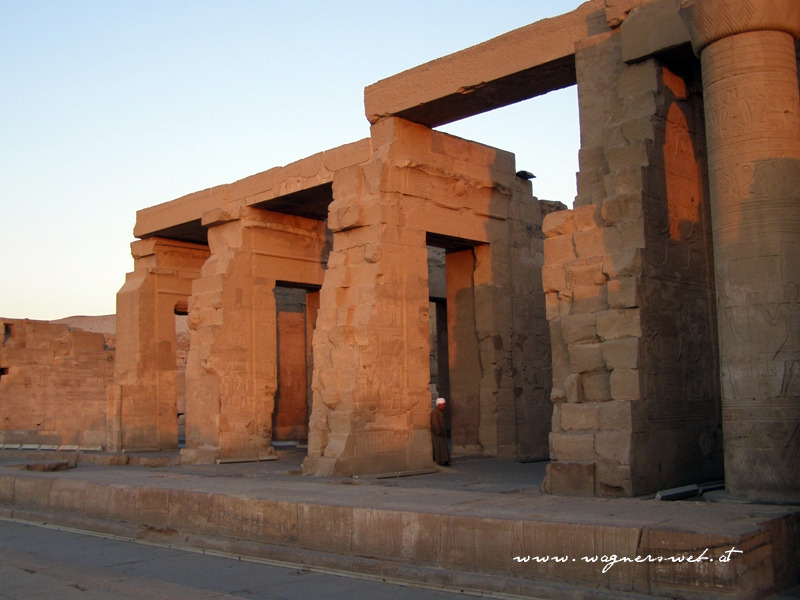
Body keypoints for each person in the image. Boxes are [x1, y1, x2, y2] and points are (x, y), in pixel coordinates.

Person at [430, 397, 450, 466]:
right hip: (437, 434)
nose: (444, 406)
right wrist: (439, 432)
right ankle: (439, 460)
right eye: (443, 404)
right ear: (439, 404)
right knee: (438, 447)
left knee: (442, 447)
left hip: (441, 433)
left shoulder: (440, 412)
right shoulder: (434, 412)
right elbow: (435, 423)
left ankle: (444, 460)